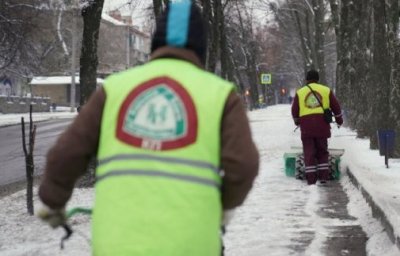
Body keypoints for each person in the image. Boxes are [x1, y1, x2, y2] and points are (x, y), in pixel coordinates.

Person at [37, 1, 259, 255]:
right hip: (192, 245)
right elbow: (243, 165)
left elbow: (67, 153)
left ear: (155, 42)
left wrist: (52, 200)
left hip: (118, 246)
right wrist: (223, 206)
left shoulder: (115, 89)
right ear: (202, 48)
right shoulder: (220, 95)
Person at [291, 70, 343, 185]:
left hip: (306, 128)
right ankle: (323, 178)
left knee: (309, 153)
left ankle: (311, 180)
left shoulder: (300, 92)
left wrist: (297, 122)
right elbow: (336, 107)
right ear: (318, 79)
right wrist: (339, 121)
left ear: (306, 79)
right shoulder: (326, 90)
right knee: (322, 152)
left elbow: (294, 111)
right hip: (322, 126)